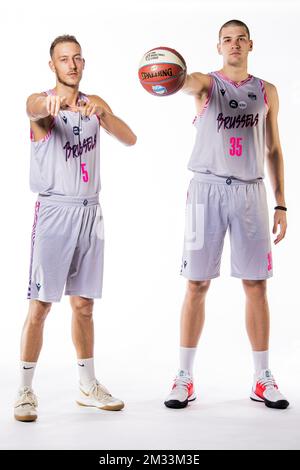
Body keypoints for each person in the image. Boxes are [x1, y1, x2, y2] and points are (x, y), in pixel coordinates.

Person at [164, 20, 289, 410]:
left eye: (240, 39)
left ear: (250, 44)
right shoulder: (206, 84)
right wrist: (171, 72)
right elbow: (186, 82)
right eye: (227, 40)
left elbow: (273, 149)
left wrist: (281, 202)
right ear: (218, 46)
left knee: (256, 285)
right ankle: (183, 377)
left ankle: (262, 377)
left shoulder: (266, 91)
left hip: (251, 192)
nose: (234, 44)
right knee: (197, 284)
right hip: (206, 190)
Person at [14, 35, 137, 422]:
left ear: (83, 63)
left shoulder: (93, 104)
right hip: (55, 213)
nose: (72, 64)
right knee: (40, 306)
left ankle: (87, 386)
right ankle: (24, 390)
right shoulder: (43, 105)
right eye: (64, 59)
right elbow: (32, 108)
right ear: (52, 65)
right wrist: (45, 104)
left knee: (83, 305)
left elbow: (130, 139)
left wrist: (103, 114)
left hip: (90, 212)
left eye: (77, 58)